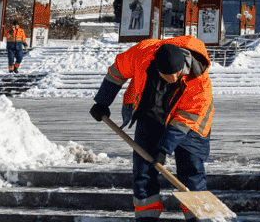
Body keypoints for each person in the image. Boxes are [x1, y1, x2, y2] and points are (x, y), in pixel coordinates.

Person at [90, 37, 213, 221]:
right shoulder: (141, 54)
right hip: (152, 115)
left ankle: (199, 217)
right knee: (143, 171)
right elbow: (117, 72)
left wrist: (163, 150)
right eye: (166, 76)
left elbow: (184, 120)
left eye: (176, 75)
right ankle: (146, 218)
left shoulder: (199, 81)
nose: (171, 80)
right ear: (156, 65)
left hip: (191, 124)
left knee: (191, 171)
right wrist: (102, 101)